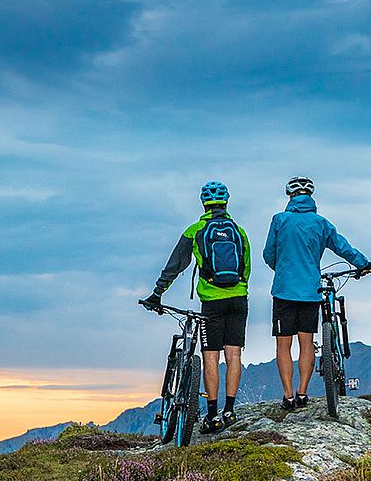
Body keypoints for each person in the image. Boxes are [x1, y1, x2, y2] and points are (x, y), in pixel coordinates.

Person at [144, 181, 251, 433]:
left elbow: (175, 266)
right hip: (238, 298)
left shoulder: (196, 230)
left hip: (212, 302)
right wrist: (238, 288)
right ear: (226, 202)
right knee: (234, 354)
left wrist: (157, 293)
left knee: (210, 356)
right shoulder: (239, 231)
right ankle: (230, 411)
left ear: (204, 203)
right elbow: (246, 267)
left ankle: (212, 415)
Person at [263, 176, 371, 410]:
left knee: (283, 345)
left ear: (290, 196)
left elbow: (268, 254)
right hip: (311, 292)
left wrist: (281, 269)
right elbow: (343, 247)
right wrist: (363, 263)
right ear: (311, 197)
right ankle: (303, 393)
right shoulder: (321, 223)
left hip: (283, 291)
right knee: (307, 343)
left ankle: (288, 397)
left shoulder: (279, 220)